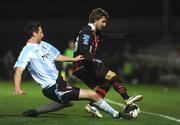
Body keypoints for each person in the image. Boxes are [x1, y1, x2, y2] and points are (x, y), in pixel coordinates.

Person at [13, 21, 132, 119]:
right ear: (34, 34)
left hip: (59, 82)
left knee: (68, 103)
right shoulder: (27, 51)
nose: (43, 34)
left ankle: (35, 112)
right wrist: (17, 88)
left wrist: (73, 59)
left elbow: (57, 57)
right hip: (52, 87)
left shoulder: (44, 44)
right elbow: (18, 70)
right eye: (41, 32)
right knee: (93, 95)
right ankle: (118, 115)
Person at [72, 8, 143, 117]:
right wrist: (96, 61)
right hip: (82, 65)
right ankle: (127, 98)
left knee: (106, 83)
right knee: (111, 75)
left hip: (84, 65)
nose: (105, 24)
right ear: (96, 20)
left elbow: (110, 37)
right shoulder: (87, 32)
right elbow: (84, 51)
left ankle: (93, 105)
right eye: (103, 21)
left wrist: (127, 35)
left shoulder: (95, 33)